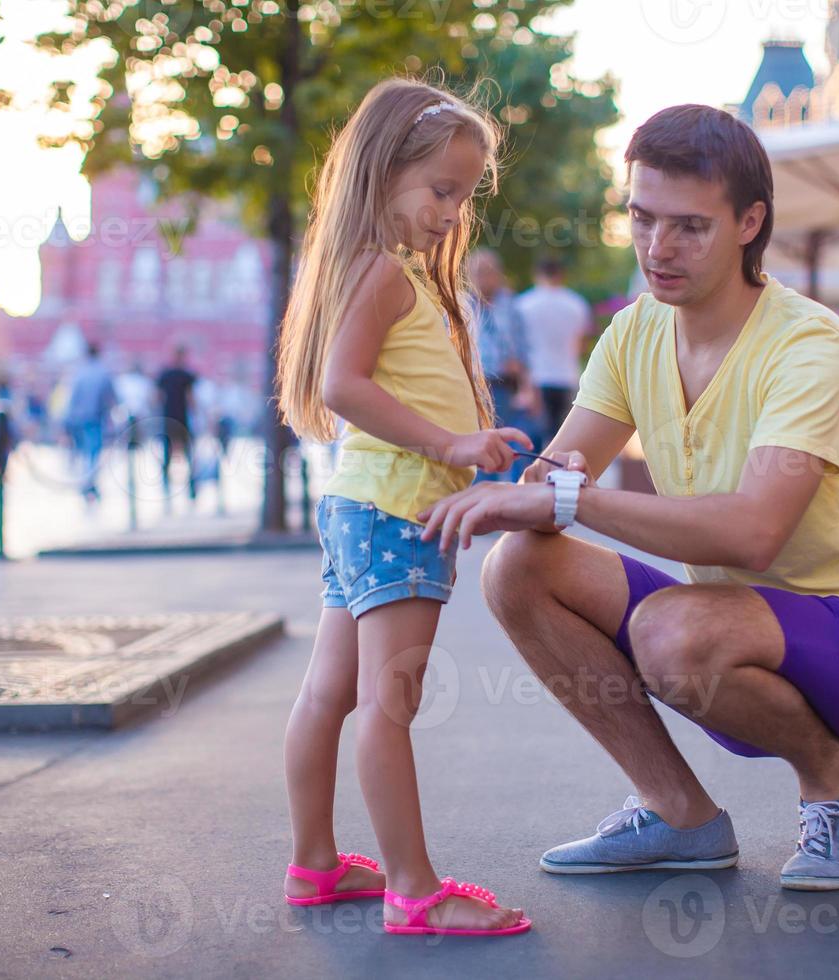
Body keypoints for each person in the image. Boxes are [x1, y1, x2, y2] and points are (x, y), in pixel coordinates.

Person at [418, 104, 839, 892]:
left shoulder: (808, 344)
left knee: (669, 631)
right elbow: (560, 469)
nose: (658, 248)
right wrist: (517, 482)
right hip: (722, 640)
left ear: (749, 222)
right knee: (517, 568)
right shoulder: (634, 334)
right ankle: (679, 815)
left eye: (690, 226)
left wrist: (565, 499)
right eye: (642, 217)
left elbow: (753, 533)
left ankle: (838, 776)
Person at [274, 79, 531, 937]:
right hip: (395, 514)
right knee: (390, 702)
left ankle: (315, 863)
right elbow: (342, 386)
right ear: (383, 173)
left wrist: (475, 443)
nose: (453, 212)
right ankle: (414, 891)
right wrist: (454, 446)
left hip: (364, 506)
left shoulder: (393, 272)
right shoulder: (383, 273)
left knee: (331, 693)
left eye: (463, 196)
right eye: (441, 191)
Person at [465, 248, 535, 482]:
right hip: (471, 387)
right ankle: (477, 495)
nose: (484, 277)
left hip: (504, 386)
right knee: (477, 446)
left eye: (489, 272)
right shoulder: (461, 305)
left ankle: (504, 495)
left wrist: (527, 388)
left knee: (506, 445)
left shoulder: (511, 305)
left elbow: (524, 349)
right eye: (478, 272)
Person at [516, 257, 594, 437]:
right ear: (561, 275)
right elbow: (582, 344)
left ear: (536, 275)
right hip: (567, 376)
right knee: (563, 438)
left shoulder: (523, 304)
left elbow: (518, 347)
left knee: (533, 440)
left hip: (535, 378)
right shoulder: (577, 304)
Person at [64, 342, 117, 502]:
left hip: (78, 419)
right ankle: (89, 483)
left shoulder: (79, 373)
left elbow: (72, 398)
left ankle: (87, 482)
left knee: (84, 452)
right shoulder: (102, 373)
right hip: (95, 419)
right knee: (93, 453)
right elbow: (112, 397)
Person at [155, 345, 198, 501]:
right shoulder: (186, 375)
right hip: (182, 418)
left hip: (169, 418)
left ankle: (166, 483)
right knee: (188, 453)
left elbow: (157, 397)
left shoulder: (165, 375)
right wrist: (196, 413)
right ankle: (191, 485)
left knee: (168, 453)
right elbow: (190, 397)